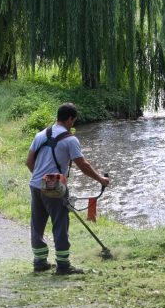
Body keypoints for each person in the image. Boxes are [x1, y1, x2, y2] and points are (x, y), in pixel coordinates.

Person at [25, 102, 110, 275]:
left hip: (35, 184)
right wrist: (101, 179)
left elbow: (29, 162)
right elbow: (82, 164)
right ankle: (63, 265)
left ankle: (39, 262)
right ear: (70, 119)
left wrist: (42, 180)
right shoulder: (71, 140)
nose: (73, 124)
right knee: (60, 224)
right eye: (74, 121)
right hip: (55, 189)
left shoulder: (40, 134)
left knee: (37, 224)